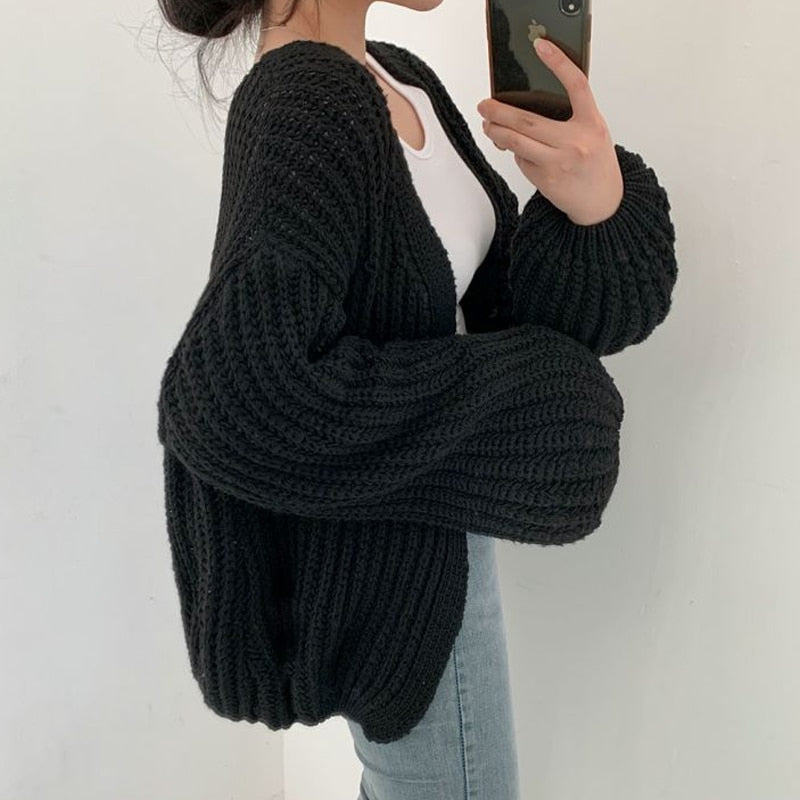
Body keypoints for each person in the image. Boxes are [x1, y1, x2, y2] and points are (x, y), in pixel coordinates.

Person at [155, 1, 677, 797]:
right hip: (401, 584)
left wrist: (592, 201)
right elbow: (236, 392)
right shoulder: (307, 97)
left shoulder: (400, 81)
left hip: (437, 541)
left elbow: (506, 315)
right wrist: (538, 405)